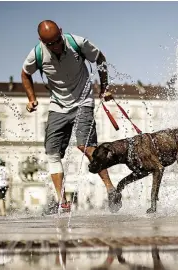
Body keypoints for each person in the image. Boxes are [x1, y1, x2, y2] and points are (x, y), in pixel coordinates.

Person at [21, 20, 122, 213]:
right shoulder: (37, 54)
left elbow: (99, 58)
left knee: (86, 146)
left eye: (57, 41)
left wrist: (104, 88)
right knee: (52, 153)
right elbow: (25, 74)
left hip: (83, 100)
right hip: (58, 106)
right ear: (41, 41)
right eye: (49, 44)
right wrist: (31, 98)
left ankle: (111, 189)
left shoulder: (78, 43)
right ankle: (63, 202)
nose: (55, 46)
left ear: (61, 32)